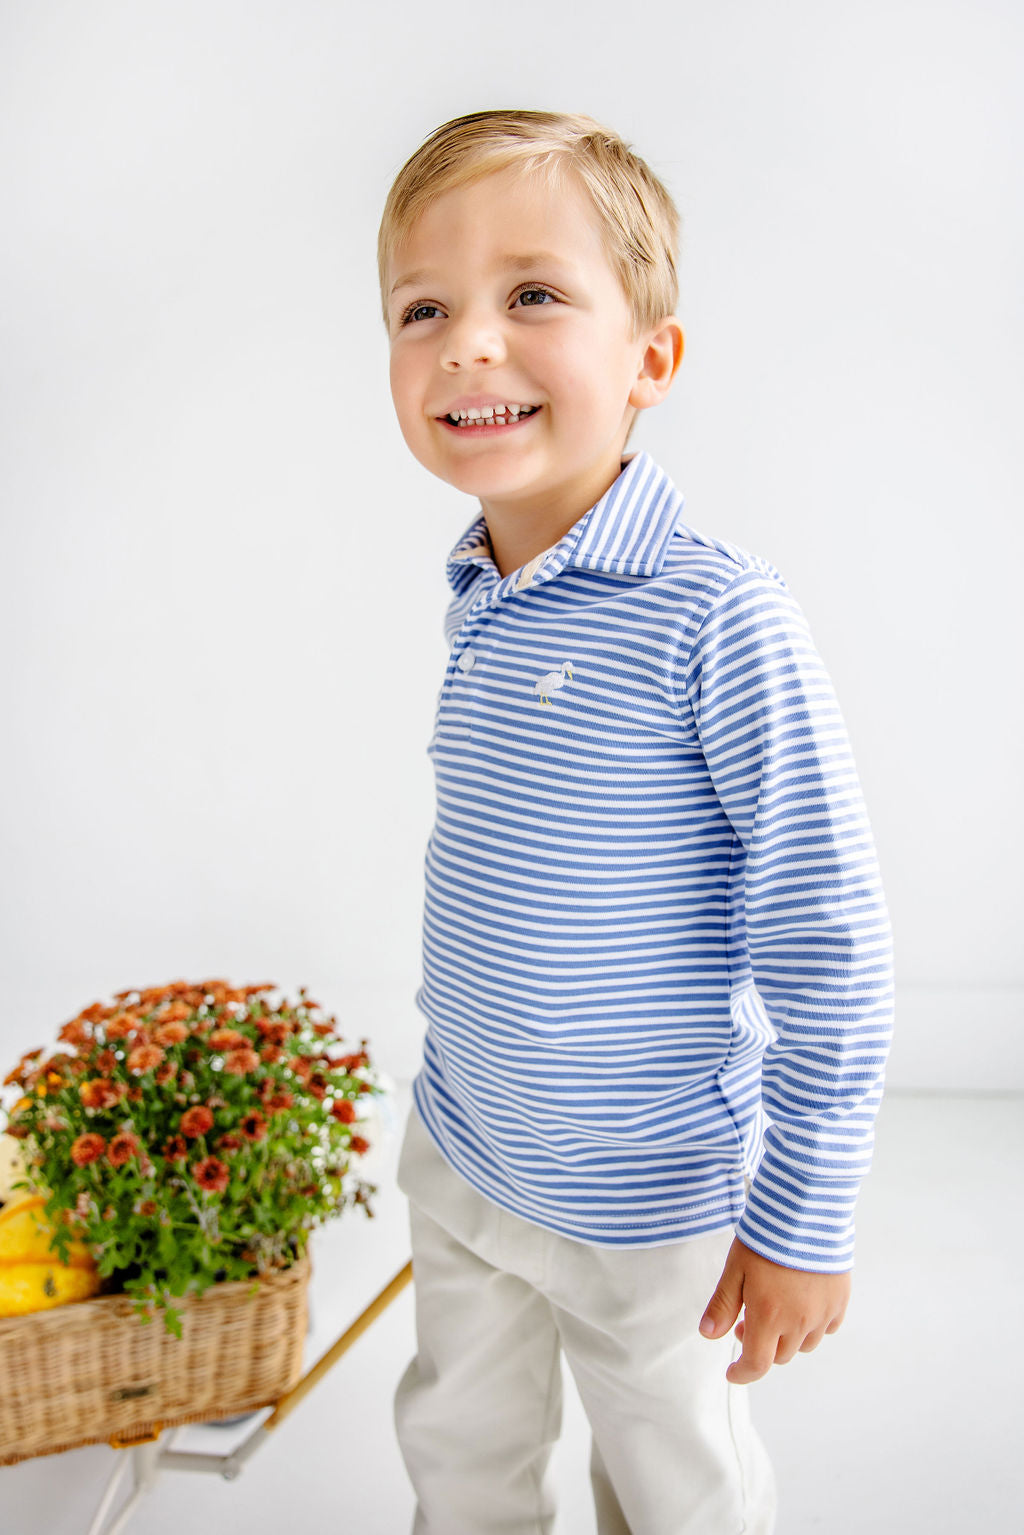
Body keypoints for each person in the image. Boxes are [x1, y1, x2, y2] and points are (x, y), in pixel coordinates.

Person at [378, 109, 893, 1535]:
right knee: (459, 1458)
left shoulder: (721, 618)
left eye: (533, 294)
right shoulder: (482, 592)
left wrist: (803, 1217)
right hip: (468, 1147)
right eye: (424, 310)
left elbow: (829, 935)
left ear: (650, 361)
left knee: (680, 1492)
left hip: (652, 1208)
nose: (468, 344)